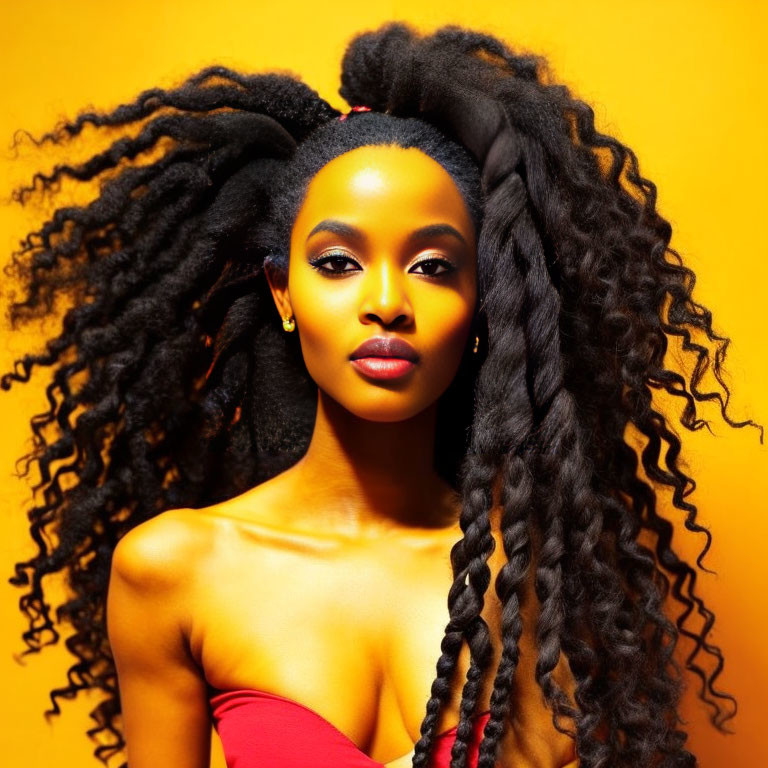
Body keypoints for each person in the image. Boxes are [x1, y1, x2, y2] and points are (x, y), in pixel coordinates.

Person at [2, 20, 762, 768]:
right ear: (283, 293)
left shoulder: (540, 590)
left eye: (434, 266)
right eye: (338, 263)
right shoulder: (176, 570)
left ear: (483, 305)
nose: (388, 302)